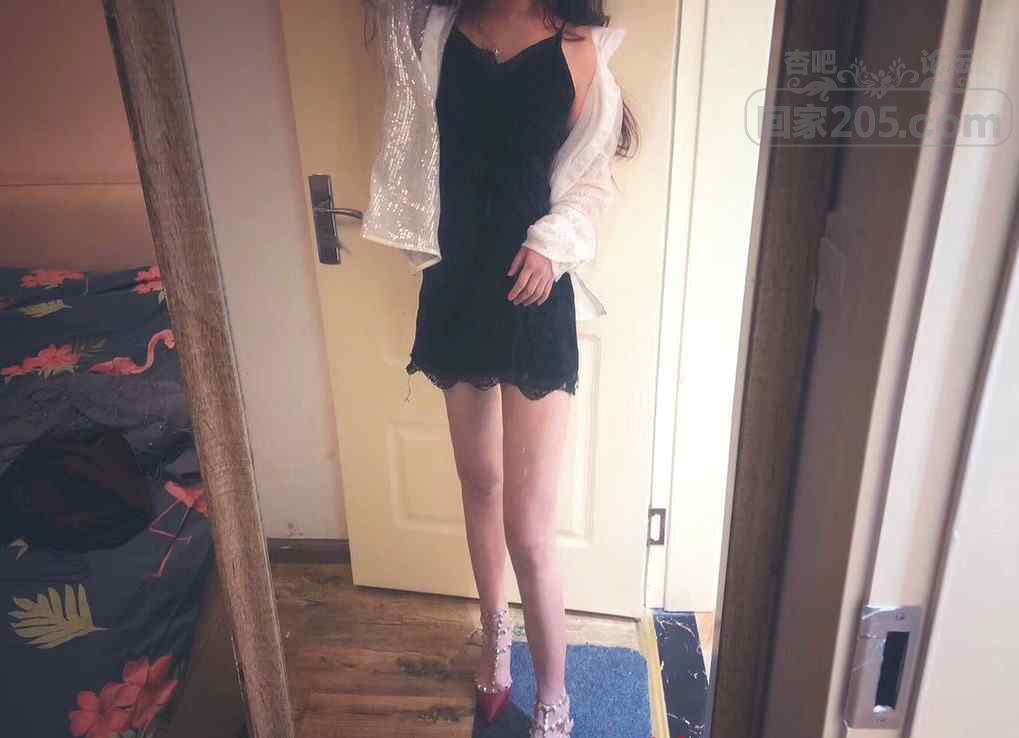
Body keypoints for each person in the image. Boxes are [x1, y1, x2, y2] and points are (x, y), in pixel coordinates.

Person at [361, 1, 636, 735]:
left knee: (530, 528)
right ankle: (496, 640)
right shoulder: (432, 30)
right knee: (478, 482)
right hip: (456, 287)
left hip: (532, 294)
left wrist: (552, 243)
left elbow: (591, 183)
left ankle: (554, 696)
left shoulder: (579, 50)